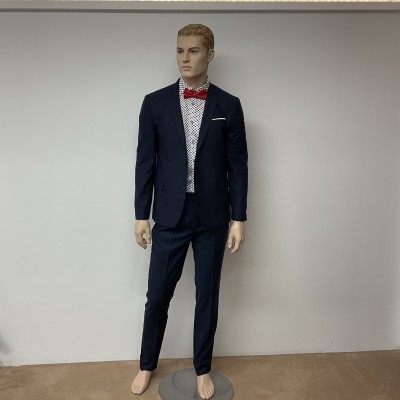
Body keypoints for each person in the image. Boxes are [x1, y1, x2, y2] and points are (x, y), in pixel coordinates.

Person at [131, 23, 248, 400]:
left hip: (212, 215)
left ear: (210, 54)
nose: (184, 58)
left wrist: (239, 217)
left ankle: (202, 368)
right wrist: (141, 214)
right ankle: (147, 363)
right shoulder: (155, 103)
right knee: (157, 296)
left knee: (207, 297)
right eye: (180, 50)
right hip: (170, 213)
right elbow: (145, 162)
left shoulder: (228, 105)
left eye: (193, 51)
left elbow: (238, 166)